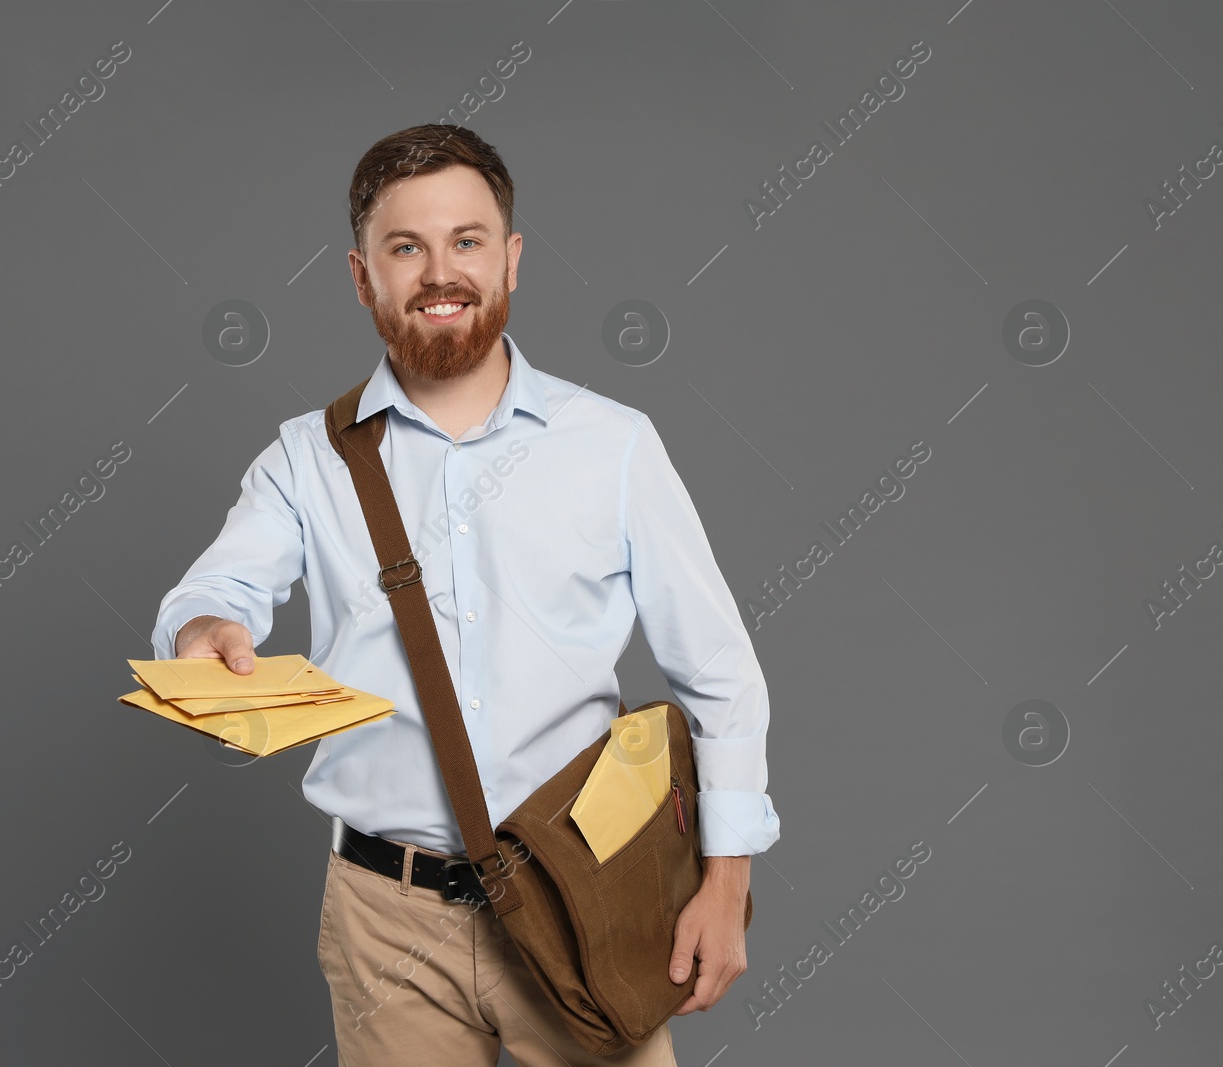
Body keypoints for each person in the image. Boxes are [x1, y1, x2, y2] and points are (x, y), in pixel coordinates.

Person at [152, 124, 780, 1067]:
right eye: (406, 247)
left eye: (468, 241)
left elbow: (720, 674)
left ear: (512, 259)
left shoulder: (610, 445)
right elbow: (213, 592)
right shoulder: (305, 459)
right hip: (383, 923)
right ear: (363, 276)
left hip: (585, 899)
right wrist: (203, 630)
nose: (440, 272)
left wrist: (726, 883)